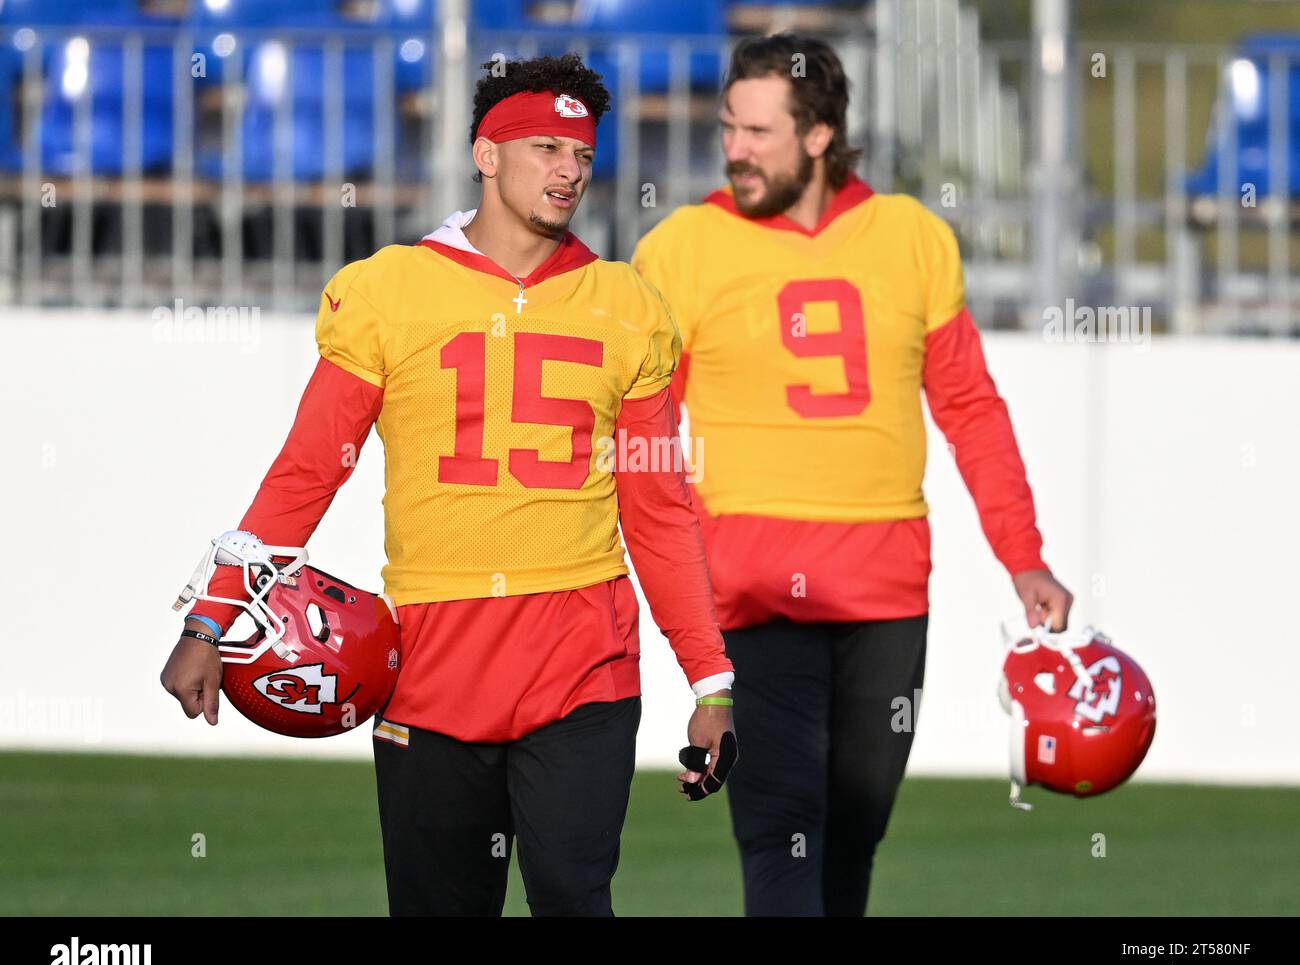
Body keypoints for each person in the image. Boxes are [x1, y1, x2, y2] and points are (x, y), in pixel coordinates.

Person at [160, 54, 736, 917]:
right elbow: (309, 471)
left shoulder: (628, 306)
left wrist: (711, 683)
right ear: (487, 154)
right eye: (546, 148)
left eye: (582, 153)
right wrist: (214, 615)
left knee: (575, 898)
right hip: (431, 660)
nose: (571, 171)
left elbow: (660, 512)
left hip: (581, 658)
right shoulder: (390, 291)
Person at [632, 33, 1073, 917]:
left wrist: (1023, 557)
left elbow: (971, 411)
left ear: (821, 133)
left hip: (884, 590)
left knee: (855, 829)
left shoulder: (912, 238)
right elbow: (644, 431)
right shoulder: (681, 248)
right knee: (781, 820)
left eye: (759, 132)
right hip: (752, 586)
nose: (735, 150)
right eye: (728, 128)